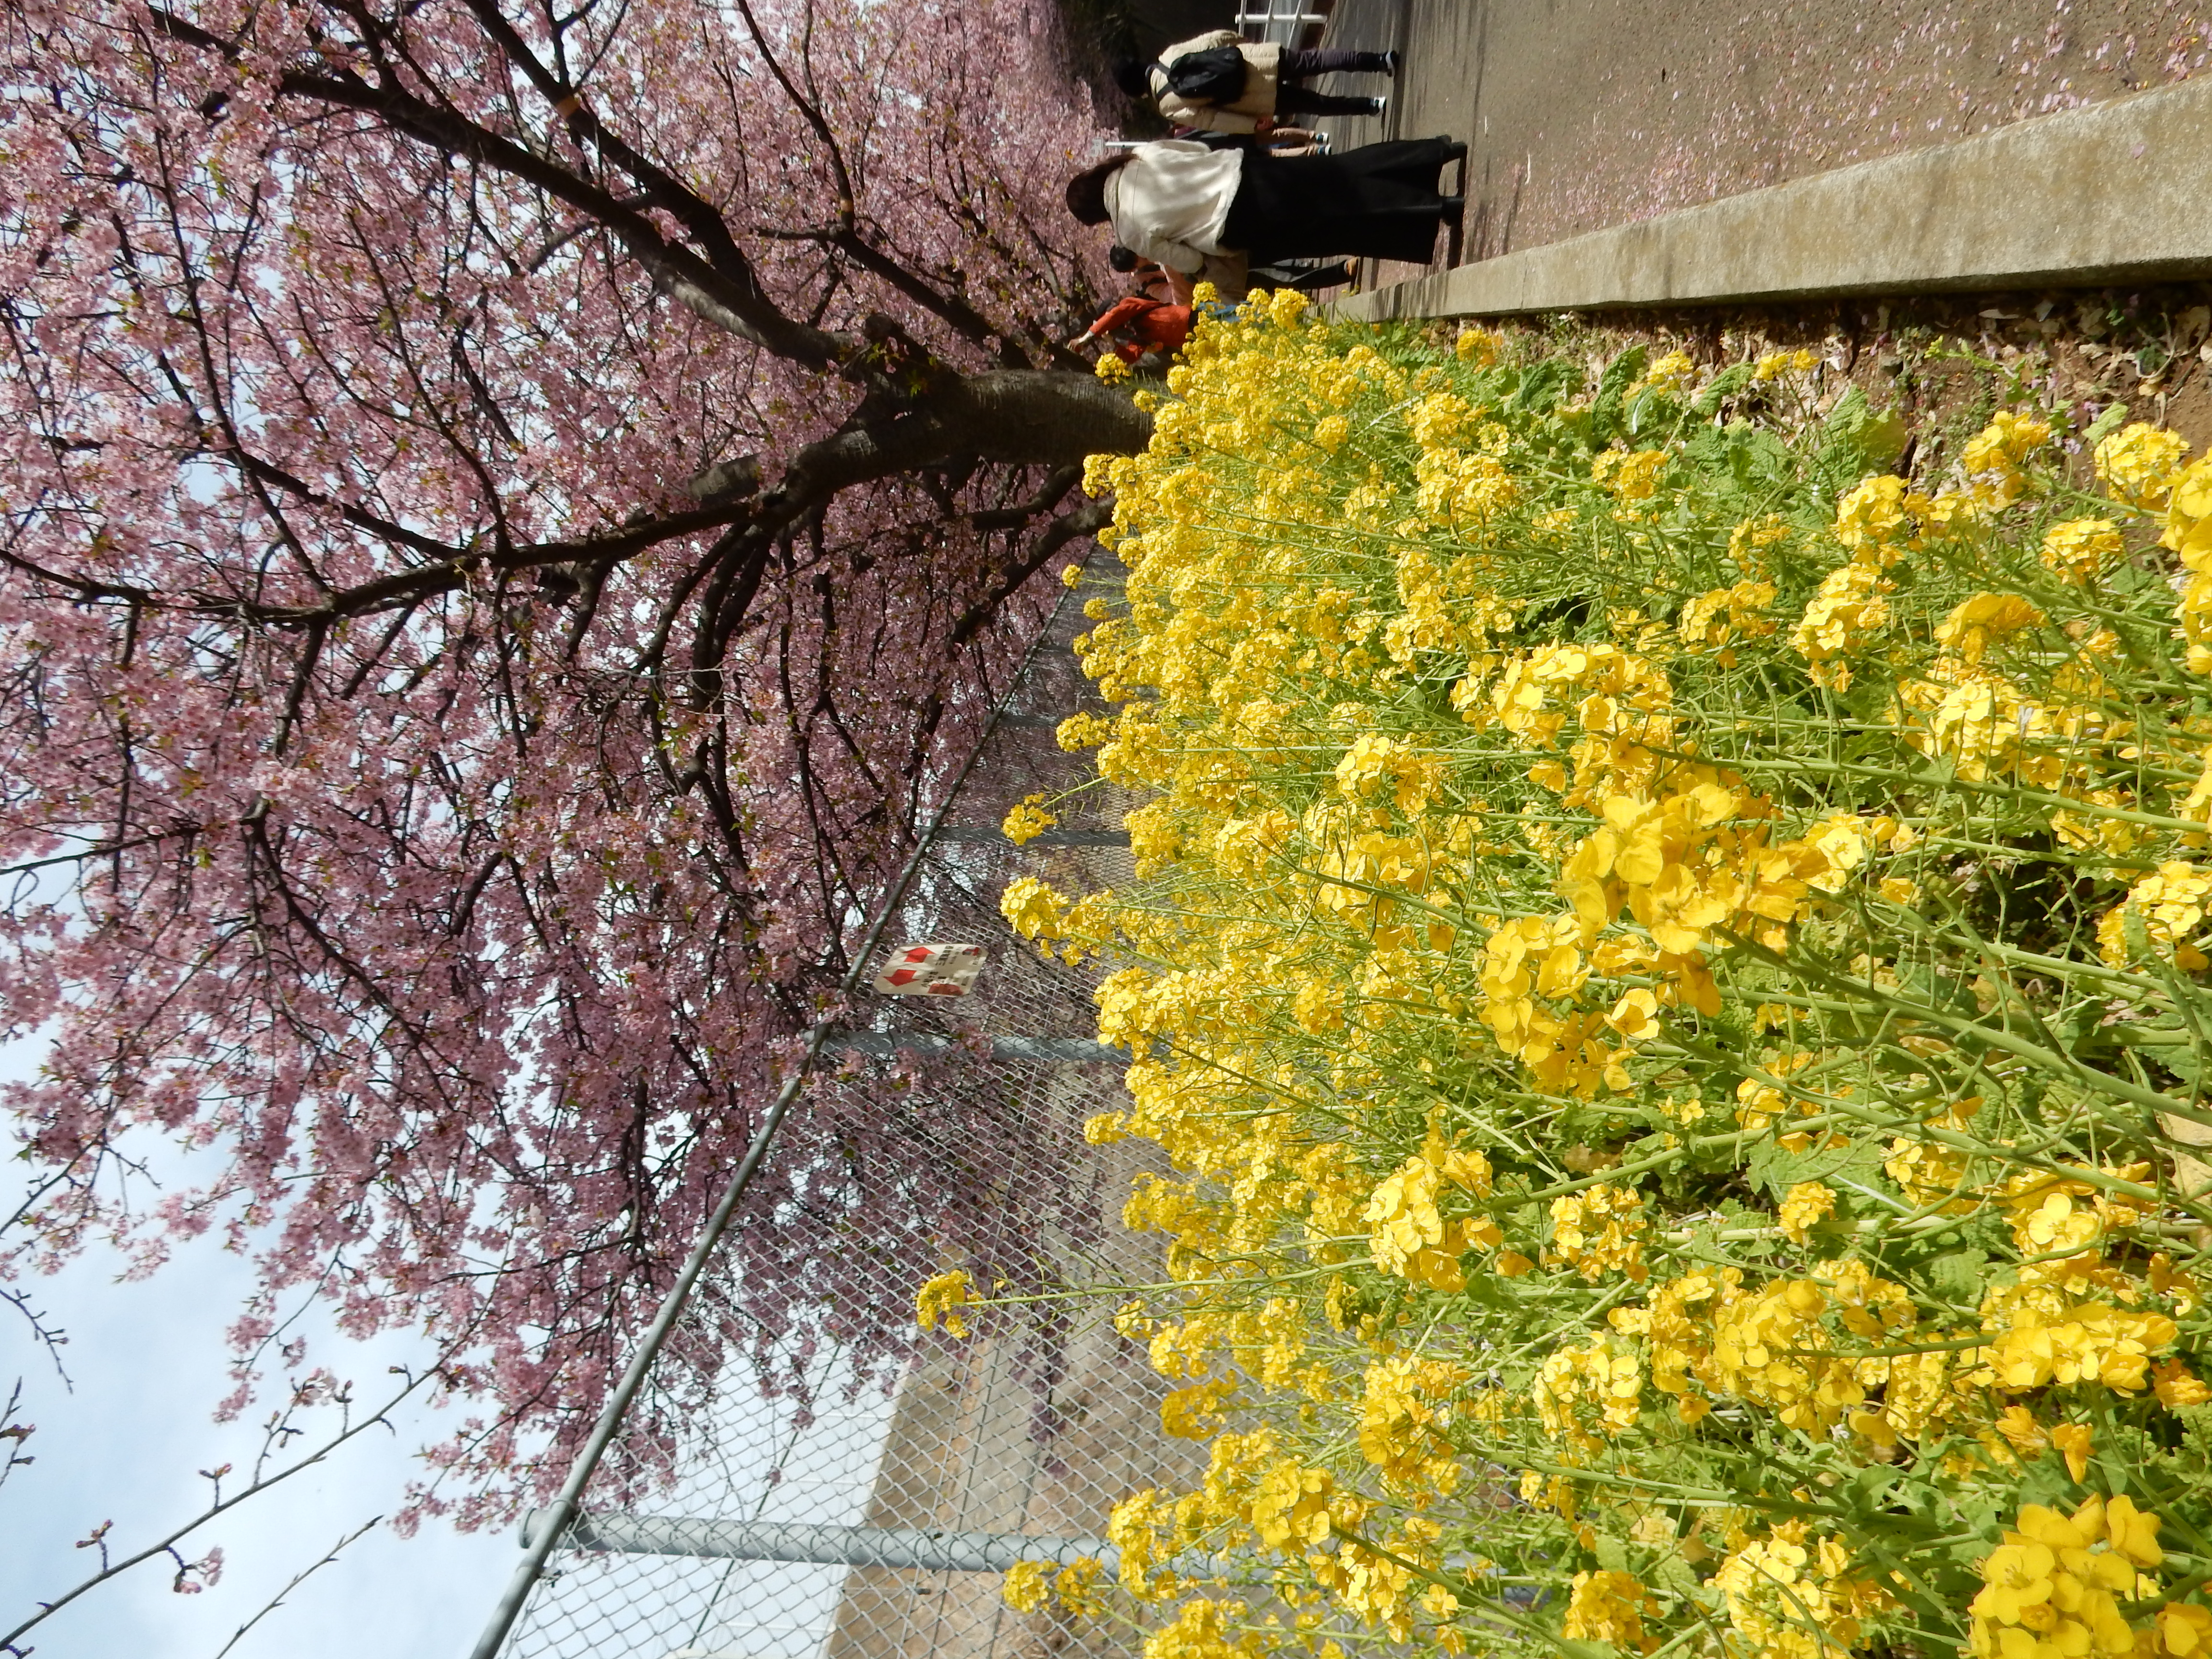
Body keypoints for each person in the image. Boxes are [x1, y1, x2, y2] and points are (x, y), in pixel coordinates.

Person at [1064, 136, 1465, 275]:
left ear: (1097, 217)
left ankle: (1439, 208)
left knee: (1340, 226)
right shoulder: (1139, 156)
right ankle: (1438, 151)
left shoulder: (1130, 232)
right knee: (1343, 171)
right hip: (1248, 173)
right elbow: (1198, 149)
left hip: (1242, 223)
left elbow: (1187, 261)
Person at [1112, 34, 1400, 135]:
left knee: (1316, 104)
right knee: (1316, 61)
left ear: (1136, 91)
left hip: (1251, 98)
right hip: (1254, 60)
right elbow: (1216, 38)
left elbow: (1212, 119)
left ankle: (1371, 106)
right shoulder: (1169, 54)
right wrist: (1246, 44)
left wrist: (1252, 126)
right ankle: (1380, 60)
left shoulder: (1166, 106)